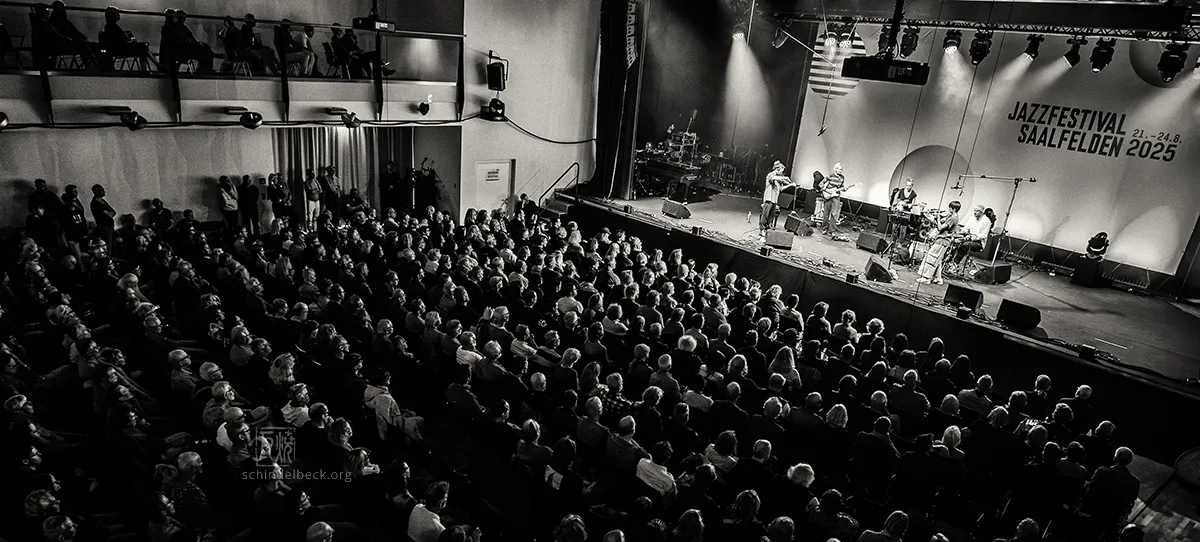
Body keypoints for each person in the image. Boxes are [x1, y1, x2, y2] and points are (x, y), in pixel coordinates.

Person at [99, 7, 152, 71]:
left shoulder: (110, 27)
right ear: (112, 16)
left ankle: (153, 66)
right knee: (143, 47)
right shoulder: (113, 27)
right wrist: (129, 41)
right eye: (117, 13)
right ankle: (148, 67)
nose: (119, 15)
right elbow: (119, 41)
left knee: (142, 48)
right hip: (120, 49)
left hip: (119, 48)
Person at [759, 161, 794, 238]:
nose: (782, 173)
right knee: (765, 216)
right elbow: (773, 178)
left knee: (770, 217)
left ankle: (767, 230)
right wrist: (784, 178)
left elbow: (781, 188)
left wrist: (791, 185)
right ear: (777, 169)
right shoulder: (771, 175)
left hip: (774, 200)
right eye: (782, 171)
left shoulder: (779, 180)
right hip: (768, 199)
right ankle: (762, 230)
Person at [819, 162, 849, 235]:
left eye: (842, 169)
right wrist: (827, 191)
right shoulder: (829, 176)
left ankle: (831, 231)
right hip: (828, 197)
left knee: (834, 214)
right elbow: (820, 184)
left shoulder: (842, 178)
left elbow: (842, 187)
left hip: (836, 197)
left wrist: (844, 189)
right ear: (835, 169)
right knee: (826, 214)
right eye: (840, 169)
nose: (841, 171)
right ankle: (824, 228)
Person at [90, 184, 116, 248]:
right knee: (107, 246)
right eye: (102, 190)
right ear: (96, 191)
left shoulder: (103, 201)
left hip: (109, 227)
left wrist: (109, 213)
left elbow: (113, 212)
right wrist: (109, 213)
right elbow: (108, 214)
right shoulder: (95, 203)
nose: (104, 191)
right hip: (104, 228)